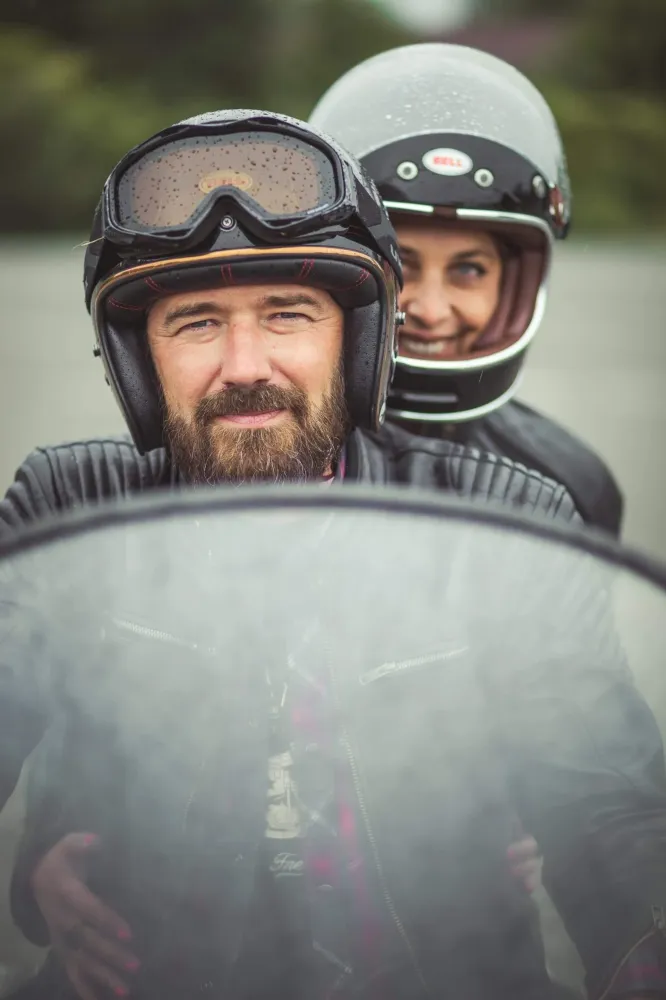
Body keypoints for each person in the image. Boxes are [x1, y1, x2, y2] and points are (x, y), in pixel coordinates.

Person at [0, 109, 570, 1000]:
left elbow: (614, 805)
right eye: (194, 323)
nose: (245, 363)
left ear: (356, 341)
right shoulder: (66, 502)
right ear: (137, 360)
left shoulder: (507, 509)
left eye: (288, 313)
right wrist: (38, 860)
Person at [309, 43, 624, 537]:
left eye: (470, 271)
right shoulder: (263, 455)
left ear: (515, 286)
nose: (431, 311)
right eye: (400, 265)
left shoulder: (572, 486)